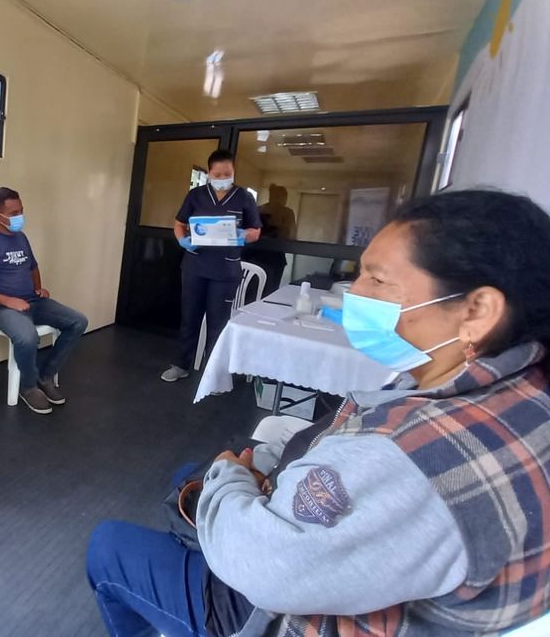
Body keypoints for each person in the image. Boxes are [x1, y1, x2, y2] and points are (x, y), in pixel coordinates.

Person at [87, 188, 550, 636]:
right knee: (190, 479)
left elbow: (263, 566)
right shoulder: (520, 393)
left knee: (111, 543)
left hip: (278, 612)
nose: (354, 292)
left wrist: (231, 478)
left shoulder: (415, 457)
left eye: (377, 279)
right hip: (333, 569)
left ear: (477, 311)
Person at [0, 187, 88, 415]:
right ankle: (28, 387)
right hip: (2, 308)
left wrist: (38, 288)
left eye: (21, 211)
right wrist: (7, 301)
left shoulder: (21, 237)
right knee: (27, 336)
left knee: (78, 321)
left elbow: (33, 266)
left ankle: (45, 376)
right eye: (14, 213)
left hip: (33, 301)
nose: (20, 217)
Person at [161, 150, 261, 382]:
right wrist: (182, 241)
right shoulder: (196, 195)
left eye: (228, 173)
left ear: (233, 172)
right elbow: (179, 224)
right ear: (209, 173)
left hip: (225, 271)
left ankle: (213, 374)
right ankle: (181, 365)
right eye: (218, 174)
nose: (223, 178)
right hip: (195, 267)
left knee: (218, 322)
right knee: (190, 318)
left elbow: (256, 231)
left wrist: (242, 234)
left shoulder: (244, 197)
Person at [244, 183, 296, 294]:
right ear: (271, 196)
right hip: (256, 257)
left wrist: (279, 228)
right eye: (278, 196)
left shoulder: (286, 213)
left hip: (273, 257)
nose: (281, 200)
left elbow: (291, 237)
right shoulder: (259, 210)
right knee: (254, 291)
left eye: (283, 197)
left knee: (267, 292)